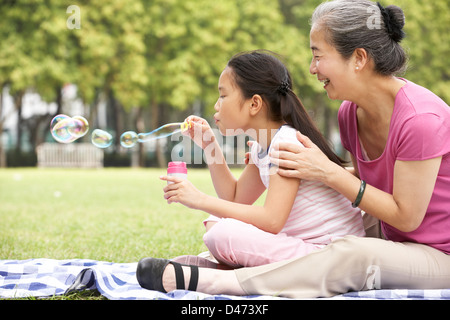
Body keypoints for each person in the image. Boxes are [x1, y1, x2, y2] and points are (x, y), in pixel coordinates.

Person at [136, 0, 450, 298]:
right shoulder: (349, 113)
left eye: (318, 55)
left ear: (358, 58)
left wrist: (328, 172)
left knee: (353, 253)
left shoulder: (421, 120)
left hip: (437, 253)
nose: (312, 69)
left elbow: (406, 217)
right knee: (298, 235)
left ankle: (222, 281)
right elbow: (372, 179)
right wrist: (311, 170)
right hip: (388, 233)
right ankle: (224, 263)